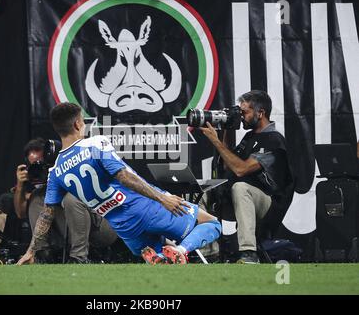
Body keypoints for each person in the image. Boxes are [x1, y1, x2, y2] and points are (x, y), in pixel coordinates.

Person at [18, 104, 221, 266]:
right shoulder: (95, 144)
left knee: (160, 255)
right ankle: (180, 251)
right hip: (147, 209)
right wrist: (163, 198)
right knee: (212, 223)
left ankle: (159, 254)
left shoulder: (56, 171)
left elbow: (46, 215)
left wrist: (30, 251)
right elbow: (123, 176)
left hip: (125, 228)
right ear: (78, 124)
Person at [200, 90, 293, 264]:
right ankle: (208, 251)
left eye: (245, 112)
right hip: (241, 200)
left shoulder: (274, 140)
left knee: (240, 186)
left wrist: (216, 141)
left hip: (267, 203)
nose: (241, 116)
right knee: (203, 192)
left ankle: (249, 252)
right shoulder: (250, 137)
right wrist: (228, 129)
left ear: (260, 113)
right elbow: (228, 164)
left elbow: (240, 170)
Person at [14, 138, 117, 263]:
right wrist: (20, 185)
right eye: (34, 165)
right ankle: (42, 254)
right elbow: (21, 213)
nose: (38, 168)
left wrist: (56, 174)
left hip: (102, 226)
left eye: (41, 163)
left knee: (71, 198)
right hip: (71, 228)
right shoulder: (42, 185)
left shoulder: (70, 161)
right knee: (37, 197)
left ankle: (78, 258)